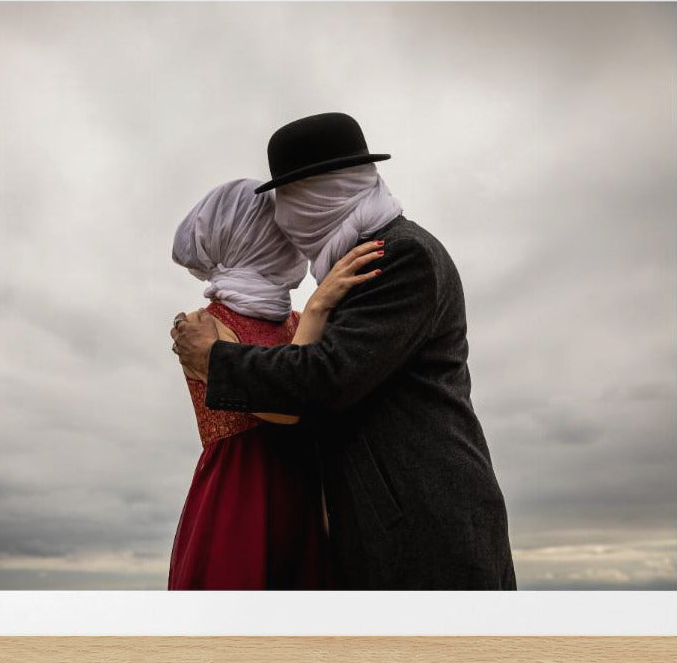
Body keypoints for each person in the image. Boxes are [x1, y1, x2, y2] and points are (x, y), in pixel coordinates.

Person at [172, 113, 517, 590]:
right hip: (378, 520)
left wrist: (215, 360)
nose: (286, 222)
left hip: (422, 520)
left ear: (321, 195)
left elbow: (327, 376)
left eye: (289, 201)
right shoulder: (361, 260)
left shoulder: (396, 255)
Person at [167, 178, 385, 590]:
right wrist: (320, 302)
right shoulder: (205, 326)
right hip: (239, 499)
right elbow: (284, 404)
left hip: (303, 495)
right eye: (273, 229)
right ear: (244, 238)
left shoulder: (296, 323)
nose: (289, 239)